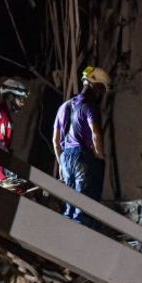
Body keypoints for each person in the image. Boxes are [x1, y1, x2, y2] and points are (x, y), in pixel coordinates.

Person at [53, 66, 109, 226]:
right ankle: (81, 244)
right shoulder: (90, 107)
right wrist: (100, 157)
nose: (102, 94)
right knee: (84, 209)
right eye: (102, 90)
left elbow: (55, 140)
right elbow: (96, 133)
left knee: (69, 207)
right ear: (96, 86)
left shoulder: (64, 106)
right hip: (83, 158)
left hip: (66, 157)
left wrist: (61, 165)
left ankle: (64, 241)